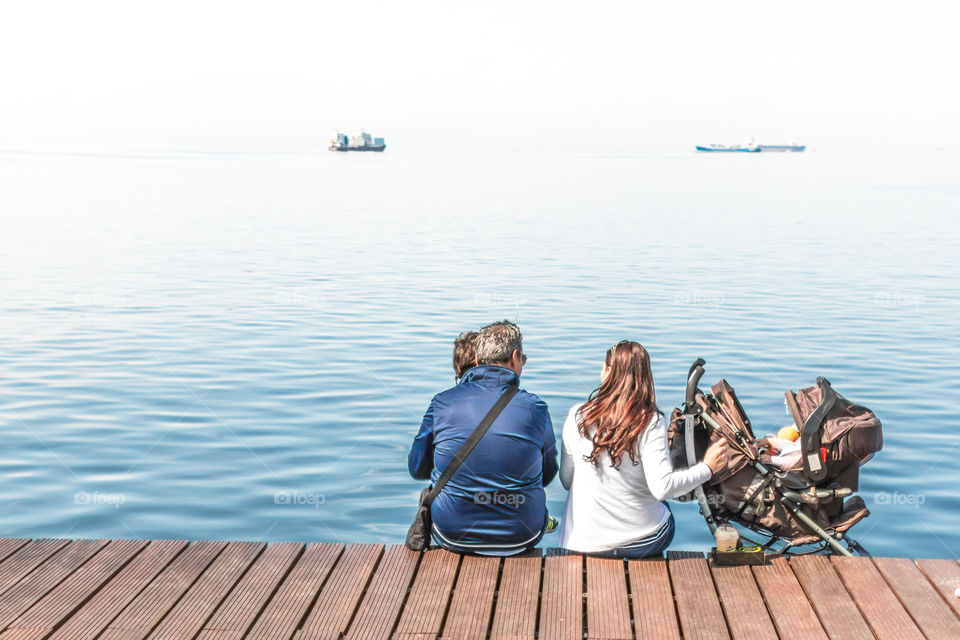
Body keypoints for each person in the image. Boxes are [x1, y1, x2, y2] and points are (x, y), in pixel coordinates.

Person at [558, 341, 727, 557]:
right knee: (664, 506)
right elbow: (663, 488)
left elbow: (566, 480)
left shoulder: (577, 416)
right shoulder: (651, 422)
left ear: (608, 372)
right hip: (640, 544)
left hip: (581, 542)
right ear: (644, 377)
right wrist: (708, 468)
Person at [409, 320, 559, 555]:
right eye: (523, 359)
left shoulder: (441, 403)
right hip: (522, 534)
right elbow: (548, 474)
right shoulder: (536, 408)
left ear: (477, 359)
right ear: (515, 357)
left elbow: (417, 469)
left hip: (451, 533)